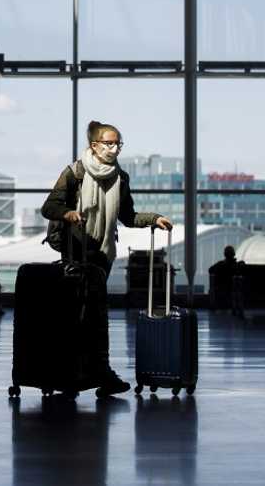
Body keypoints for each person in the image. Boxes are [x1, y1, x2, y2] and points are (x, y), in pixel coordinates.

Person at [41, 120, 172, 397]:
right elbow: (49, 206)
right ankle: (74, 373)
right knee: (76, 314)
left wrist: (154, 219)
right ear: (94, 145)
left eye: (118, 144)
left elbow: (127, 216)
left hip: (102, 255)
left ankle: (97, 374)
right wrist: (68, 214)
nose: (114, 149)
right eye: (109, 143)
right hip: (75, 252)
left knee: (96, 316)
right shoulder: (74, 173)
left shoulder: (120, 177)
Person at [208, 245, 242, 314]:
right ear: (234, 254)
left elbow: (210, 270)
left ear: (224, 254)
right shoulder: (236, 266)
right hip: (232, 288)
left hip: (220, 287)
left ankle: (214, 307)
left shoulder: (219, 264)